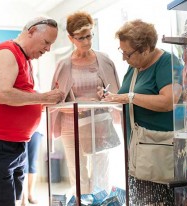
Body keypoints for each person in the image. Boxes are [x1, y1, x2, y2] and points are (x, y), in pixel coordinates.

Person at [0, 16, 65, 206]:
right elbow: (4, 95)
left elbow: (23, 100)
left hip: (16, 143)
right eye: (46, 42)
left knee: (8, 198)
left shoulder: (25, 58)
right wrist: (42, 97)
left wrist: (48, 102)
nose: (48, 49)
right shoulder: (6, 53)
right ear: (31, 32)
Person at [102, 19, 183, 205]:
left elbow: (168, 101)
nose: (124, 58)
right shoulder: (134, 67)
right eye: (121, 52)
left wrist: (129, 97)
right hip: (137, 150)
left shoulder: (168, 62)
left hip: (159, 152)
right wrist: (111, 97)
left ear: (145, 49)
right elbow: (126, 95)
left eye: (127, 53)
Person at [51, 11, 121, 195]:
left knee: (101, 172)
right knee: (78, 173)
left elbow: (115, 94)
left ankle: (100, 200)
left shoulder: (104, 59)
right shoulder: (64, 65)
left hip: (99, 123)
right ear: (71, 38)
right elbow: (57, 101)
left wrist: (104, 95)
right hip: (71, 124)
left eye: (89, 36)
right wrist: (82, 103)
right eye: (81, 38)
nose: (87, 42)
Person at [21, 131, 44, 205]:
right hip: (20, 129)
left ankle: (30, 194)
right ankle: (23, 197)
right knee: (23, 163)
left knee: (32, 163)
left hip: (36, 129)